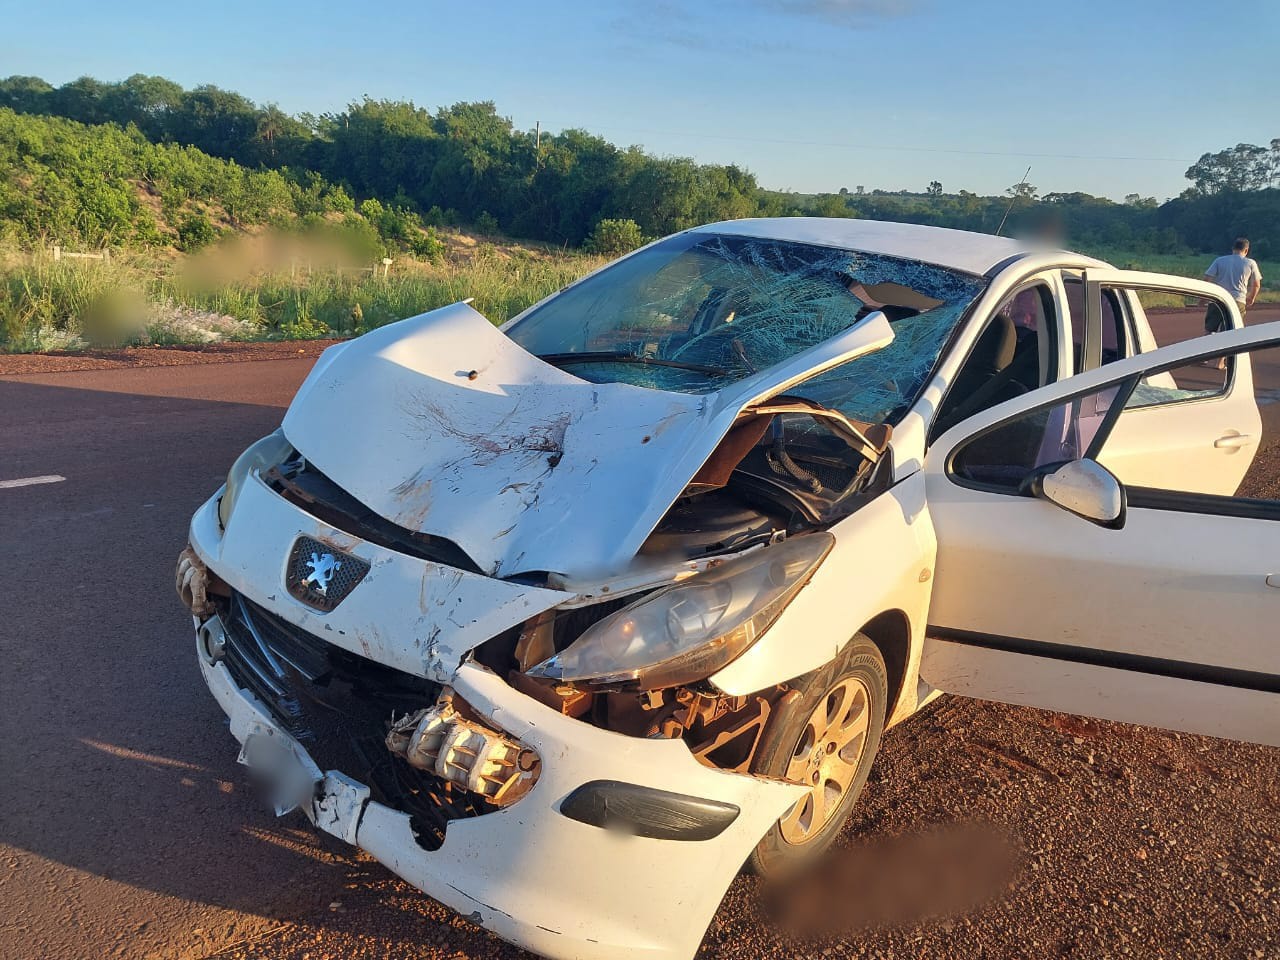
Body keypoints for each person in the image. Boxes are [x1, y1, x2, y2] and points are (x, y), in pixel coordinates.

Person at [1204, 238, 1263, 332]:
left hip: (1218, 299)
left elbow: (1207, 279)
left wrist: (1204, 298)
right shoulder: (1250, 263)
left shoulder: (1219, 260)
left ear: (1233, 248)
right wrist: (1251, 298)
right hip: (1237, 300)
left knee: (1210, 330)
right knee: (1231, 332)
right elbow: (1256, 285)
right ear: (1246, 250)